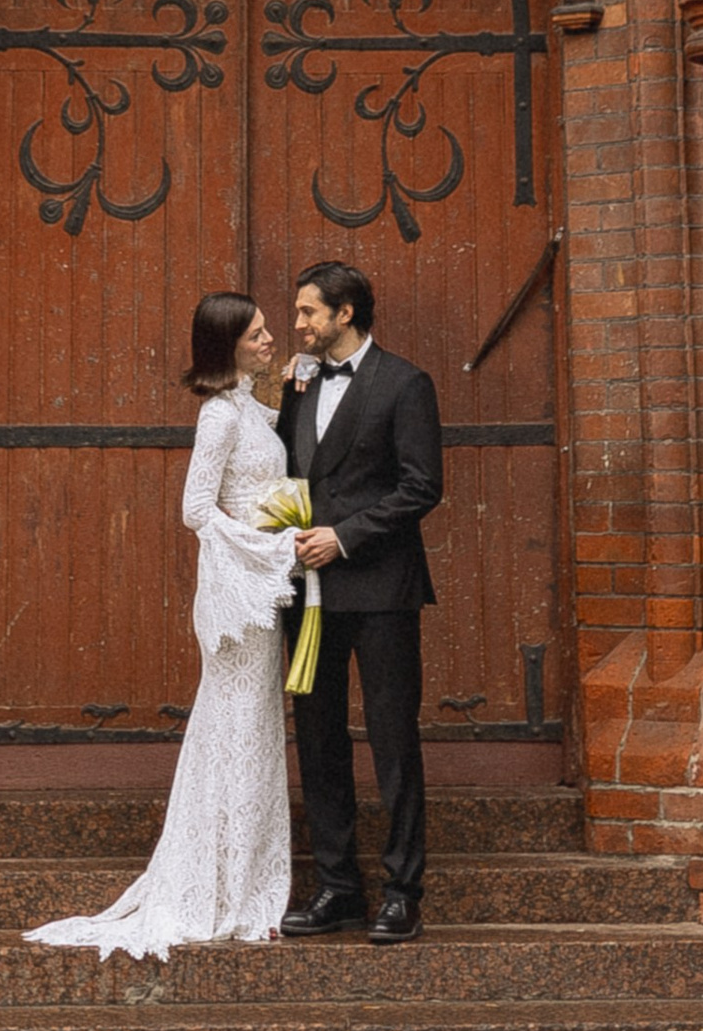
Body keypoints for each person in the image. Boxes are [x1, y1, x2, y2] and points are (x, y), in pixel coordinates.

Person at [24, 292, 300, 957]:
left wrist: (295, 386)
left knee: (251, 732)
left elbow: (271, 431)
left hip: (260, 599)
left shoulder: (246, 410)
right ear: (228, 344)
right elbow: (194, 509)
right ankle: (221, 888)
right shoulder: (217, 418)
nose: (269, 340)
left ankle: (248, 880)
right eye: (258, 334)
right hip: (245, 596)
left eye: (267, 331)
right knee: (235, 730)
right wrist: (268, 549)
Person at [277, 258, 443, 946]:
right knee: (316, 740)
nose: (298, 323)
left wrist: (342, 538)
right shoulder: (299, 382)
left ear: (346, 314)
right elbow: (278, 464)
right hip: (307, 594)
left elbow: (420, 486)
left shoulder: (405, 384)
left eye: (309, 312)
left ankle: (402, 891)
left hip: (379, 588)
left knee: (392, 739)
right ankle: (338, 887)